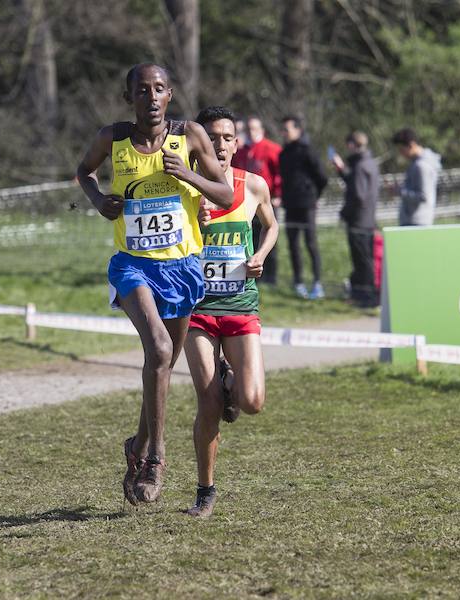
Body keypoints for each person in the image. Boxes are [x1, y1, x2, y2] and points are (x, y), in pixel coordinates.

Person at [75, 63, 234, 506]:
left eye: (159, 89)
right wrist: (98, 201)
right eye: (141, 90)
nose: (151, 97)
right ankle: (156, 459)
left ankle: (137, 445)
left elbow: (224, 194)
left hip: (183, 267)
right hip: (133, 266)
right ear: (129, 98)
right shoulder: (114, 138)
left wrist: (188, 174)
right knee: (160, 352)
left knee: (162, 365)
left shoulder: (192, 138)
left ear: (170, 95)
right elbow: (83, 171)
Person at [183, 106, 279, 517]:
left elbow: (271, 225)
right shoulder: (183, 188)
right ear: (199, 144)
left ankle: (230, 378)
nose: (220, 145)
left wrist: (260, 254)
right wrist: (191, 216)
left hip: (240, 306)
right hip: (199, 310)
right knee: (208, 405)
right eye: (212, 138)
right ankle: (205, 491)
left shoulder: (254, 185)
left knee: (253, 401)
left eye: (227, 138)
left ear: (236, 144)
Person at [279, 116, 328, 299]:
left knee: (311, 243)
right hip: (290, 206)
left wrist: (314, 196)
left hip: (307, 205)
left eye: (287, 129)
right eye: (283, 129)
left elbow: (322, 177)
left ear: (298, 130)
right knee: (293, 245)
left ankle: (317, 283)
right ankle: (298, 282)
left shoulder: (308, 151)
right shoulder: (283, 154)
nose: (284, 133)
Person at [331, 131, 380, 308]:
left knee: (362, 261)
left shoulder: (360, 166)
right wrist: (341, 169)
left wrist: (345, 212)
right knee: (365, 260)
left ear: (353, 145)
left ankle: (366, 297)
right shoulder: (368, 163)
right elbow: (355, 184)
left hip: (359, 221)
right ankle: (364, 295)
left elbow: (358, 194)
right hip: (367, 219)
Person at [232, 117, 283, 285]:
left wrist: (277, 194)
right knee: (251, 237)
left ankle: (271, 277)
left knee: (269, 235)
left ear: (261, 130)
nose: (250, 132)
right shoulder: (242, 150)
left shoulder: (272, 148)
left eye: (254, 128)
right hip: (245, 201)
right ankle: (253, 272)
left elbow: (280, 173)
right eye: (248, 129)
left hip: (266, 200)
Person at [392, 128, 442, 226]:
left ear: (411, 145)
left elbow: (423, 196)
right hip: (415, 220)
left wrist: (399, 191)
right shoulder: (417, 163)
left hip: (416, 221)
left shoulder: (421, 166)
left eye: (402, 149)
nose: (401, 153)